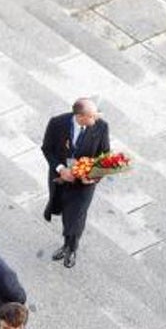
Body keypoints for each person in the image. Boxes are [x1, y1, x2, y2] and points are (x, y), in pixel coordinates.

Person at [41, 98, 110, 268]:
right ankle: (66, 243)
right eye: (92, 116)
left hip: (84, 183)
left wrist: (92, 176)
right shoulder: (57, 123)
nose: (96, 119)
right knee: (65, 212)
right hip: (61, 178)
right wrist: (60, 169)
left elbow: (105, 156)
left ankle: (71, 248)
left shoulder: (101, 126)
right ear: (80, 117)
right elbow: (47, 149)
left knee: (76, 216)